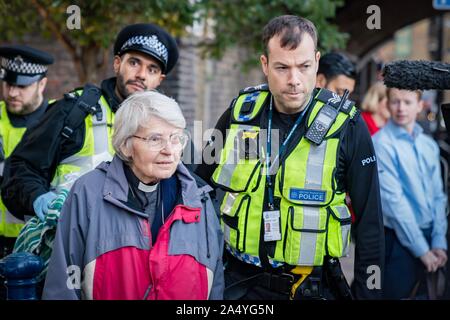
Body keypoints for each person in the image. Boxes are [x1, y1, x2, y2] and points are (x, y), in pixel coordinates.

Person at [195, 15, 384, 300]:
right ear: (265, 65)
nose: (294, 80)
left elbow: (370, 223)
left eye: (304, 66)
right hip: (239, 285)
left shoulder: (349, 126)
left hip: (311, 287)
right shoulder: (239, 114)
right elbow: (197, 188)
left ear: (317, 62)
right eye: (282, 67)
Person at [42, 91, 224, 300]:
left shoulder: (199, 198)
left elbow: (215, 282)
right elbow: (63, 284)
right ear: (125, 145)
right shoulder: (88, 193)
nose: (169, 150)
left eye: (176, 138)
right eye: (155, 139)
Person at [1, 23, 179, 223]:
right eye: (134, 63)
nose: (141, 74)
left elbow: (186, 186)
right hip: (68, 241)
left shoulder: (169, 126)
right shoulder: (74, 110)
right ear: (117, 63)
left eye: (152, 69)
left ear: (160, 79)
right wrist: (37, 197)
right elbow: (21, 167)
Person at [373, 88, 447, 299]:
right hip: (398, 241)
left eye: (407, 102)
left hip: (430, 238)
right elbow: (394, 203)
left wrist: (439, 240)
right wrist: (422, 250)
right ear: (387, 104)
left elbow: (438, 197)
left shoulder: (429, 145)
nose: (401, 108)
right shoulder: (381, 144)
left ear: (420, 105)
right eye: (395, 102)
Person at [0, 45, 54, 258]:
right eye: (8, 84)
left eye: (22, 87)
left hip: (37, 242)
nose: (12, 92)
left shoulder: (59, 123)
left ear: (42, 84)